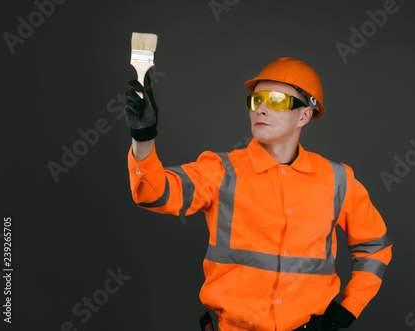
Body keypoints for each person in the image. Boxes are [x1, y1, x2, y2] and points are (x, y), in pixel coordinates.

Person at [124, 57, 393, 331]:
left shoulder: (337, 180)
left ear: (304, 115)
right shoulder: (221, 171)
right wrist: (143, 138)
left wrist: (352, 306)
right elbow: (154, 193)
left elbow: (374, 246)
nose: (261, 109)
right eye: (255, 101)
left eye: (276, 100)